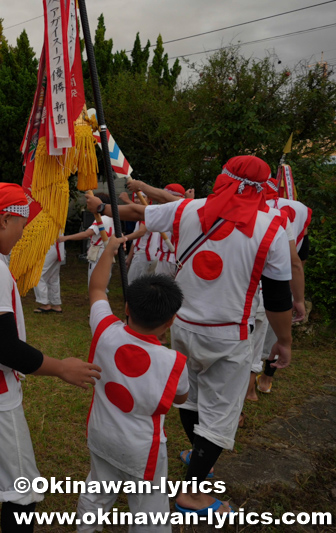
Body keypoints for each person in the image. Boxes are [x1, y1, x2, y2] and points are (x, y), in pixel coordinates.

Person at [87, 155, 293, 515]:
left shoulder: (188, 210)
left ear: (223, 179)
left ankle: (196, 456)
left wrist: (102, 205)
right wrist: (284, 340)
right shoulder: (271, 228)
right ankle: (193, 492)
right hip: (229, 336)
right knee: (221, 413)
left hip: (181, 327)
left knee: (189, 399)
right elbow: (277, 299)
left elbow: (137, 214)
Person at [0, 182, 102, 533]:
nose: (22, 237)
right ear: (4, 219)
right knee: (21, 490)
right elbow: (7, 350)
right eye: (21, 228)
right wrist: (61, 368)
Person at [77, 235, 188, 532]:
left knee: (97, 490)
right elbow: (180, 397)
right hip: (142, 450)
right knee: (150, 509)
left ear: (126, 307)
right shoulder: (173, 362)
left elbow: (97, 288)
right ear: (171, 321)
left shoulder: (104, 330)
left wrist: (110, 251)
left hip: (101, 435)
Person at [245, 177, 309, 401]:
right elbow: (299, 259)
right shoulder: (294, 211)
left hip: (249, 282)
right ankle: (265, 380)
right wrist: (298, 296)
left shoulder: (245, 208)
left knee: (249, 335)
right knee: (273, 337)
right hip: (281, 281)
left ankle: (248, 387)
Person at [59, 193, 113, 287]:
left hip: (99, 253)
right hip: (107, 251)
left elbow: (86, 234)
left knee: (94, 284)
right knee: (104, 283)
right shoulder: (112, 218)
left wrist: (66, 238)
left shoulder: (101, 219)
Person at [33, 237, 65, 313]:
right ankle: (56, 304)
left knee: (37, 275)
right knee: (53, 278)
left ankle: (44, 304)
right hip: (58, 246)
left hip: (49, 246)